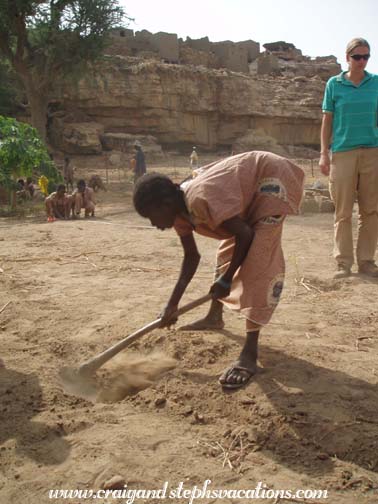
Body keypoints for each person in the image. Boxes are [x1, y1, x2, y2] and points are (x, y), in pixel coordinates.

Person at [133, 151, 304, 389]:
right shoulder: (179, 214)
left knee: (258, 261)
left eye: (151, 217)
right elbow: (191, 258)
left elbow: (244, 234)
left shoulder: (199, 200)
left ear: (165, 204)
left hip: (270, 178)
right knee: (226, 255)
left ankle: (249, 354)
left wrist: (225, 280)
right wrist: (172, 304)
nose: (153, 224)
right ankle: (215, 317)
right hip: (246, 190)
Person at [319, 37, 378, 279]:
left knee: (371, 210)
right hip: (342, 153)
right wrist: (324, 153)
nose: (362, 61)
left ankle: (366, 261)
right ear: (347, 58)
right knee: (342, 212)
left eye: (366, 57)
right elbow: (327, 121)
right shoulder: (334, 84)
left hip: (372, 152)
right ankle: (343, 263)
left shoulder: (376, 83)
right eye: (357, 57)